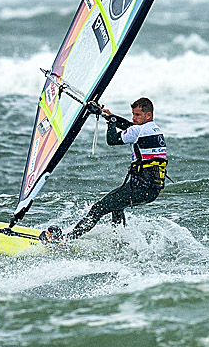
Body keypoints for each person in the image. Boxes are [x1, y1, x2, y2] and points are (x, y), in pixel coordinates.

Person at [40, 97, 167, 244]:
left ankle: (65, 241)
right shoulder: (154, 130)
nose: (134, 118)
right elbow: (129, 126)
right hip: (152, 190)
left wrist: (111, 122)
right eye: (133, 114)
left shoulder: (138, 131)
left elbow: (112, 139)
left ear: (148, 115)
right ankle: (119, 241)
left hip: (139, 188)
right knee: (117, 207)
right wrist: (108, 116)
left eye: (138, 115)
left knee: (98, 209)